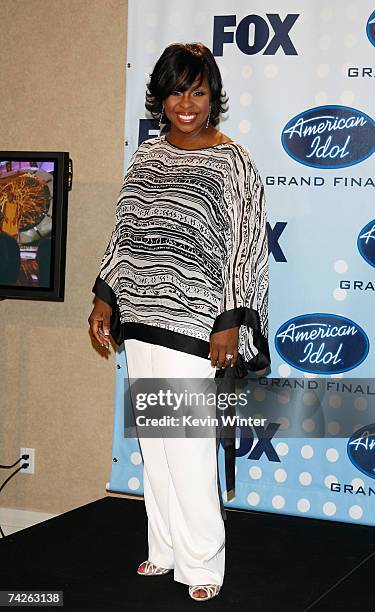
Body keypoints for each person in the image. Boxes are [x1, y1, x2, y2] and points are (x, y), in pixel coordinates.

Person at [88, 42, 270, 603]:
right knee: (155, 447)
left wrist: (231, 322)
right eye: (175, 91)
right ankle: (164, 549)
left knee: (187, 447)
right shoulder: (145, 157)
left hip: (198, 327)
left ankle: (202, 561)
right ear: (159, 97)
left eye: (197, 91)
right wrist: (105, 297)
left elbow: (246, 249)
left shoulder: (233, 161)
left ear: (213, 96)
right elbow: (124, 234)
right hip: (141, 322)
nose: (185, 103)